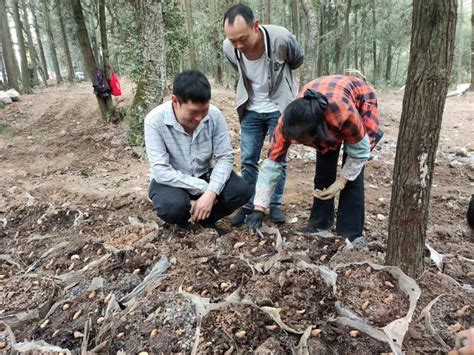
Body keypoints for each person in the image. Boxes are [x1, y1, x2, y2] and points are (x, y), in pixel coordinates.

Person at [246, 75, 383, 243]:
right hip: (324, 107)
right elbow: (272, 165)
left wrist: (341, 181)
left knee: (353, 177)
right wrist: (259, 208)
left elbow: (360, 153)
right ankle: (320, 222)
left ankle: (351, 233)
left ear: (320, 130)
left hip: (360, 99)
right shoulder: (285, 124)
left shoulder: (343, 115)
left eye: (305, 141)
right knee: (324, 169)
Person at [223, 3, 304, 226]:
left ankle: (275, 203)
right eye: (233, 40)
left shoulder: (281, 39)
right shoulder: (229, 48)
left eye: (242, 38)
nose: (238, 45)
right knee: (248, 159)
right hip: (250, 108)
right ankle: (248, 204)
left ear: (255, 26)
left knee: (278, 157)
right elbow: (237, 68)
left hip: (278, 108)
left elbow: (297, 60)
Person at [144, 70, 251, 233]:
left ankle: (205, 219)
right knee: (172, 207)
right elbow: (160, 171)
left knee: (241, 190)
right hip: (171, 179)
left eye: (204, 110)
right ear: (175, 101)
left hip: (203, 172)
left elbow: (225, 157)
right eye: (193, 112)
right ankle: (183, 223)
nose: (200, 118)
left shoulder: (215, 115)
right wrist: (206, 189)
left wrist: (211, 193)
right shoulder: (154, 121)